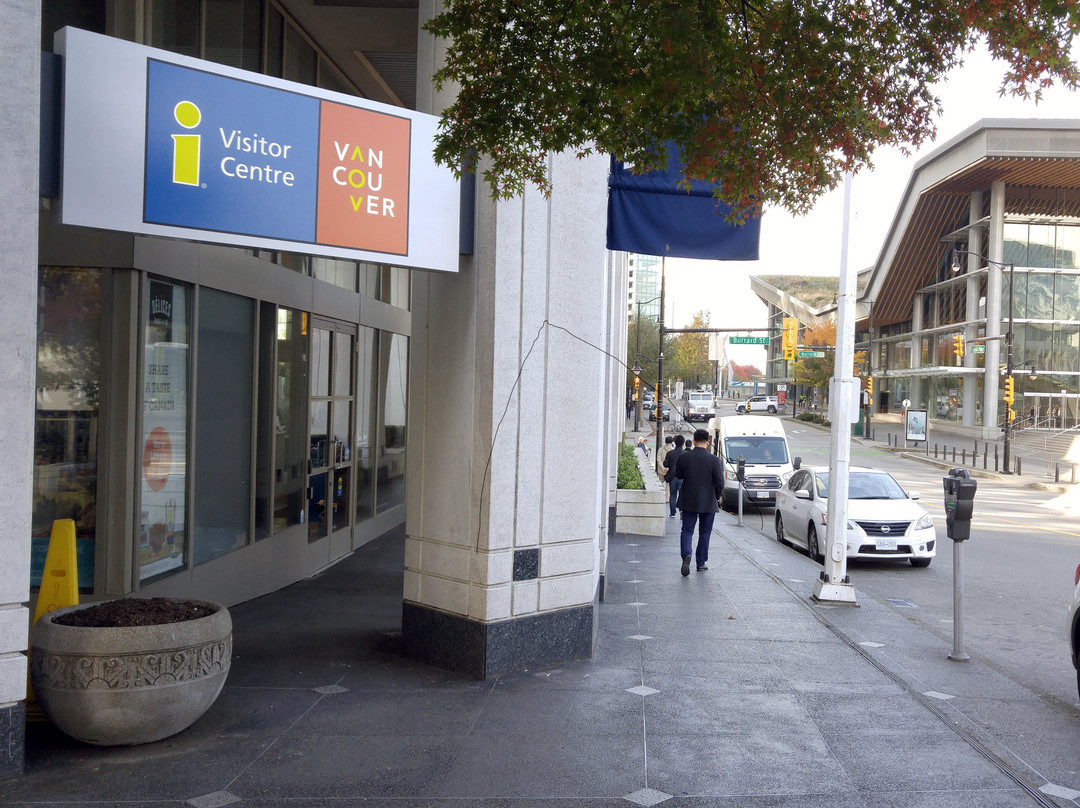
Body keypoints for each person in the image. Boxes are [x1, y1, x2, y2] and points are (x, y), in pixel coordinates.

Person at [675, 428, 724, 575]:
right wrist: (716, 496)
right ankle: (701, 562)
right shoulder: (714, 460)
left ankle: (686, 555)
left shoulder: (684, 457)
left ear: (694, 441)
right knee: (705, 532)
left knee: (687, 530)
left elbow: (679, 475)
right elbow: (720, 482)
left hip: (688, 499)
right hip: (708, 501)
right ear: (708, 443)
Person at [663, 434, 685, 518]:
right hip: (682, 478)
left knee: (673, 495)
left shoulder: (670, 453)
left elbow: (665, 464)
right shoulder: (686, 453)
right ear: (683, 444)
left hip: (672, 477)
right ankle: (682, 511)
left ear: (674, 442)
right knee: (682, 495)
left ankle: (672, 513)